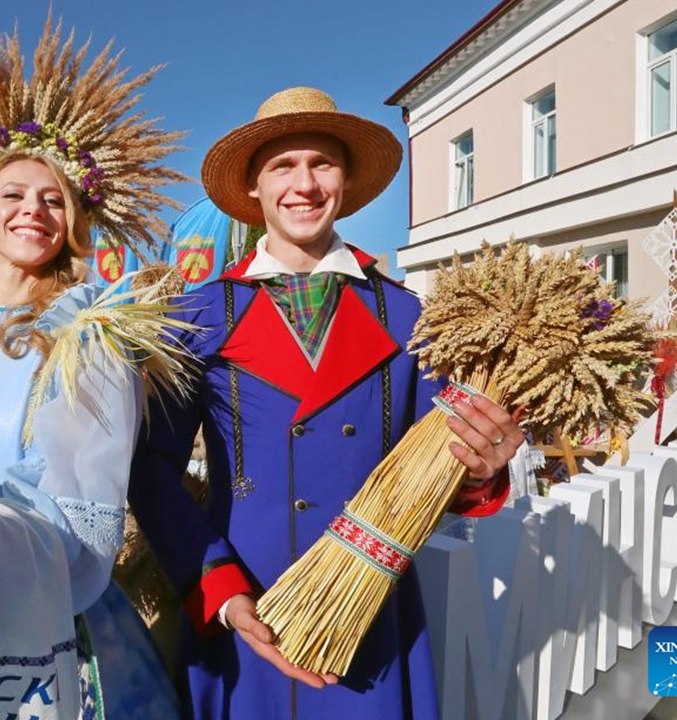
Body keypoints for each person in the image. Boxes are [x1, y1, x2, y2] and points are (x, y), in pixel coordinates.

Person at [128, 86, 526, 719]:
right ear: (253, 188)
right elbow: (151, 470)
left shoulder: (408, 315)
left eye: (322, 164)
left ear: (346, 182)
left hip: (367, 603)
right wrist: (221, 589)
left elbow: (446, 465)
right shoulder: (197, 318)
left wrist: (484, 466)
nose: (304, 184)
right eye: (283, 166)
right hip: (246, 604)